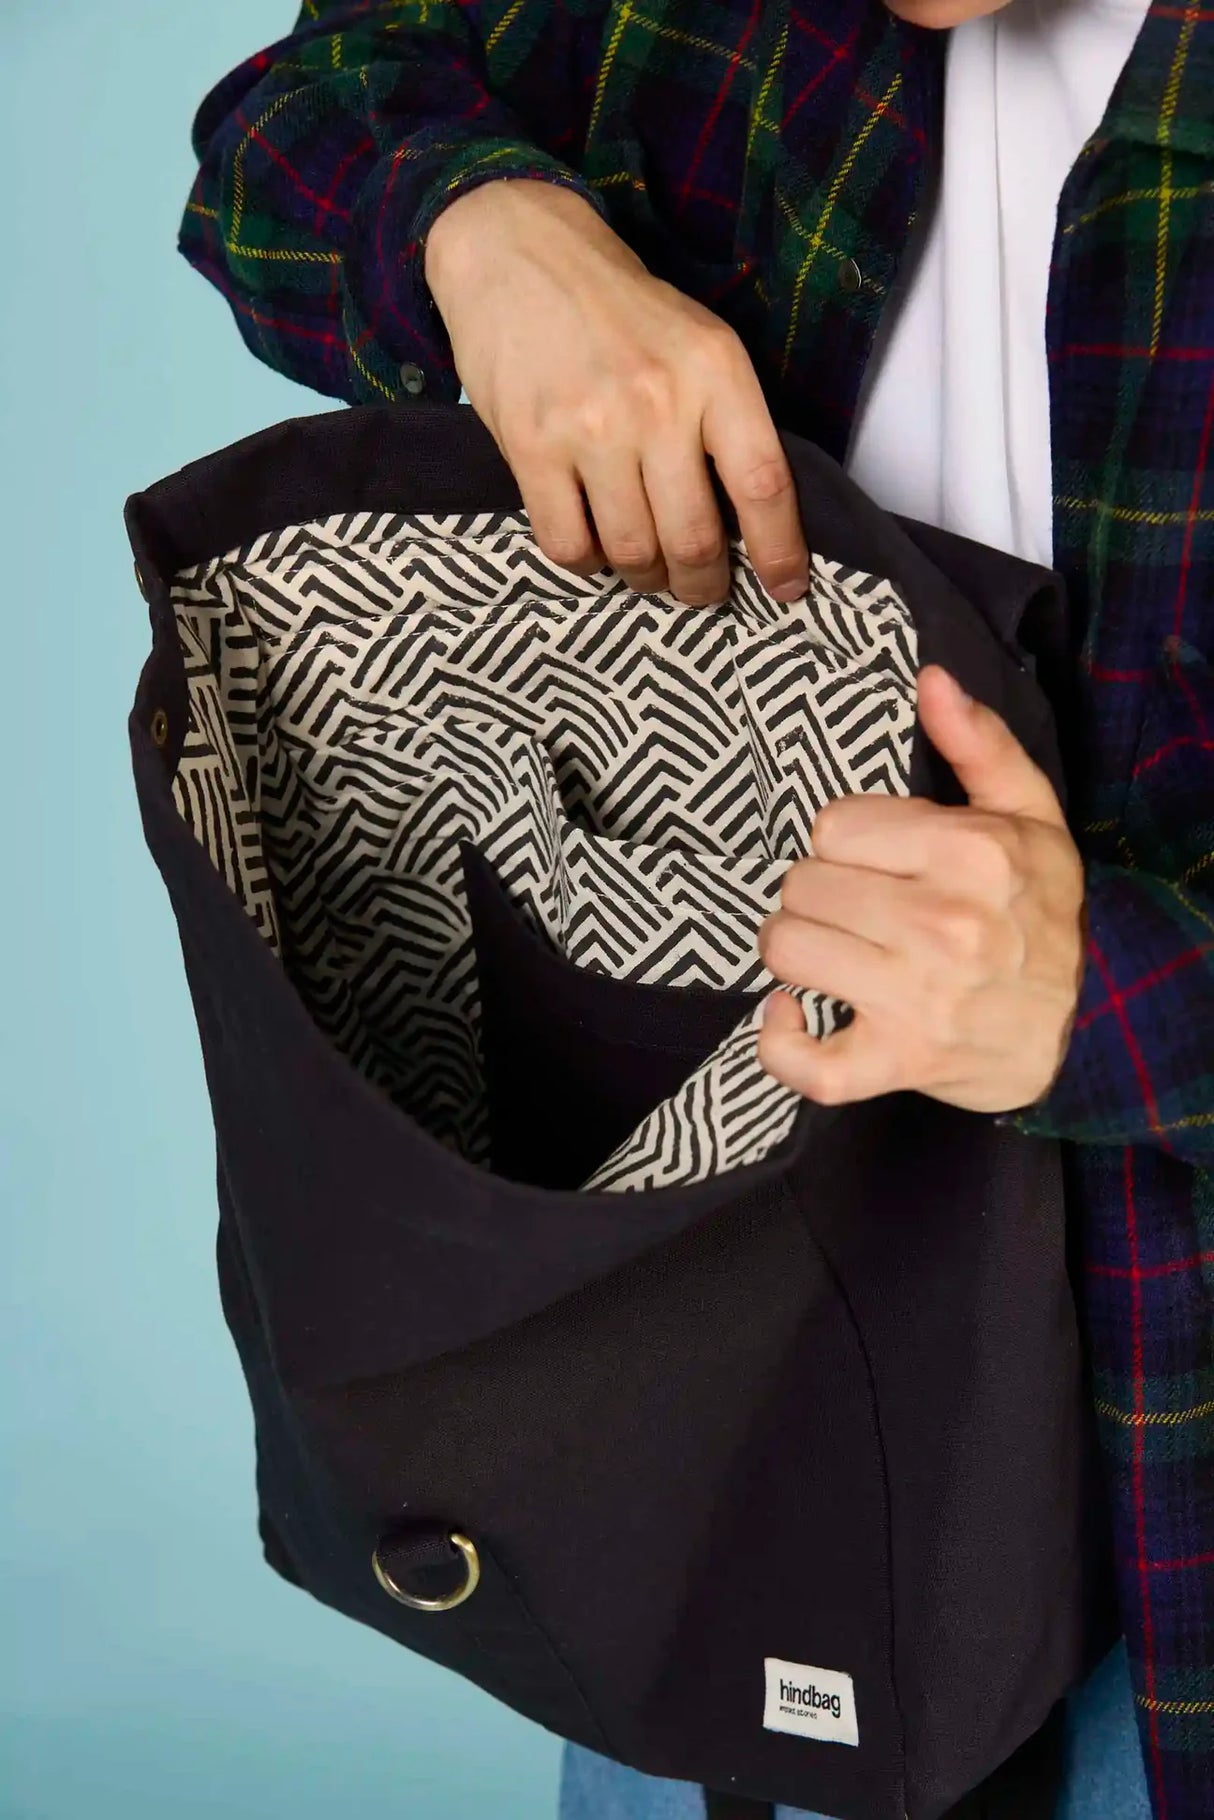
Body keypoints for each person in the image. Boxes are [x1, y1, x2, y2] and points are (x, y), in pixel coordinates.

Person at [178, 1, 1213, 1816]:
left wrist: (1110, 1000)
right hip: (717, 1371)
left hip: (1172, 1463)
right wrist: (484, 229)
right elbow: (278, 129)